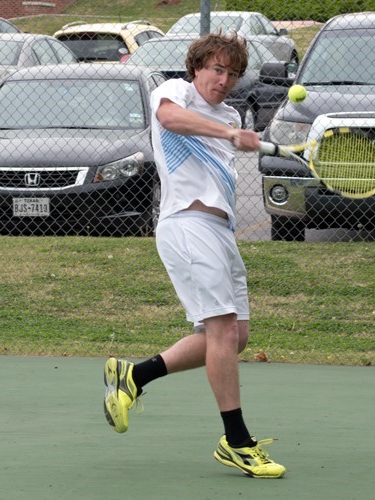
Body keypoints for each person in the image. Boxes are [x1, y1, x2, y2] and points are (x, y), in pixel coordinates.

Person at [102, 32, 286, 479]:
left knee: (235, 337)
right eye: (217, 70)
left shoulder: (230, 114)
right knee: (222, 330)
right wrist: (230, 134)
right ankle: (236, 442)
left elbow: (224, 135)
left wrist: (237, 134)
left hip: (221, 232)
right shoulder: (175, 92)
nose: (223, 80)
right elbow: (170, 119)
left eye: (232, 74)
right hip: (186, 223)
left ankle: (134, 377)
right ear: (197, 68)